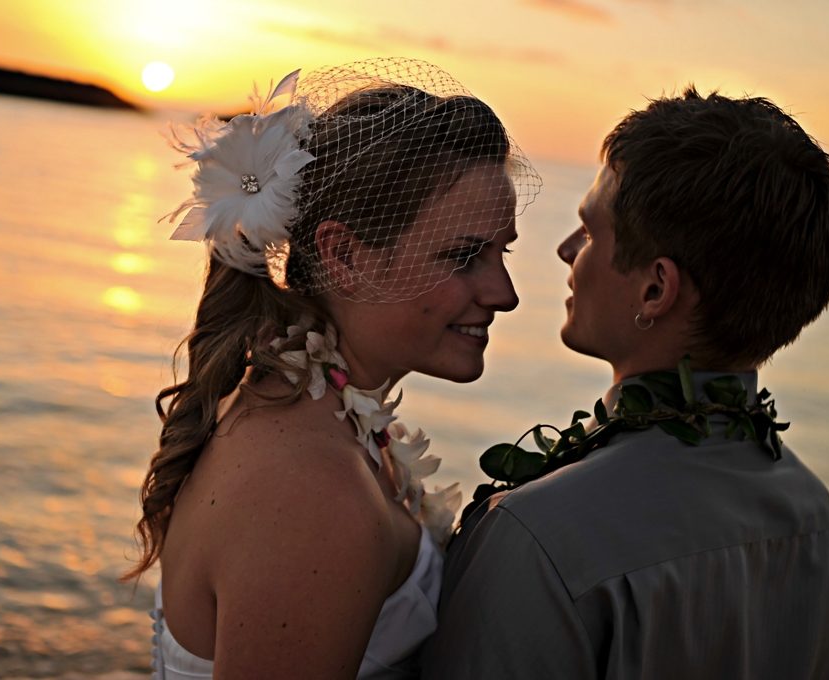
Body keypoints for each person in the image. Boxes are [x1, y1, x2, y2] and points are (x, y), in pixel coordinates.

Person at [423, 87, 829, 679]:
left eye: (588, 232)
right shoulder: (826, 531)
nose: (565, 250)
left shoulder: (540, 539)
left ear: (655, 289)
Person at [123, 58, 541, 679]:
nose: (504, 293)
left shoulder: (308, 408)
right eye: (463, 256)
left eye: (501, 252)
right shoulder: (310, 494)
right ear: (343, 255)